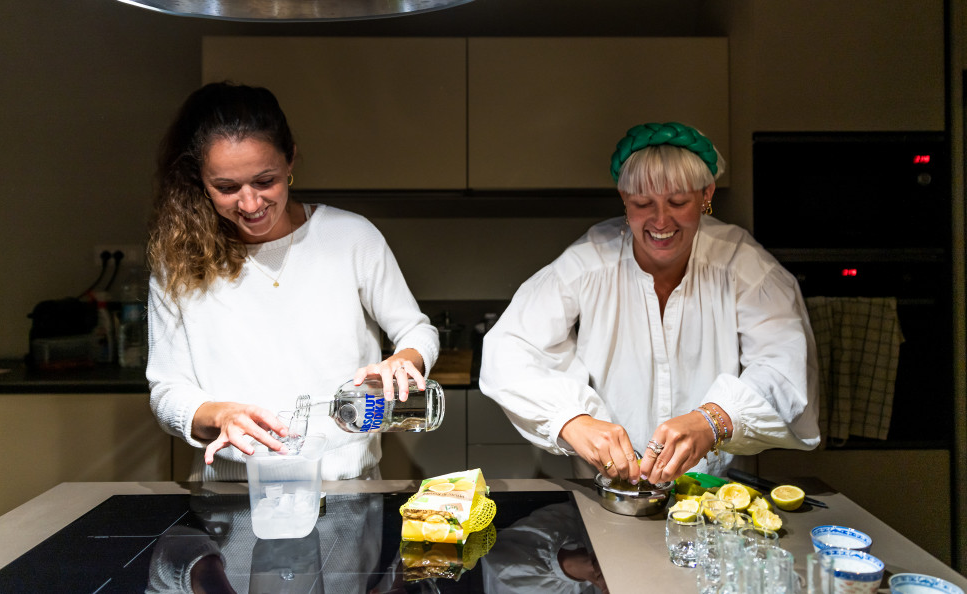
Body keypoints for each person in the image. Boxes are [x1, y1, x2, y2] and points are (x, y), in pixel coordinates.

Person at [479, 122, 820, 486]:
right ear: (624, 198)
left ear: (707, 194)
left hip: (715, 494)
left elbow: (783, 366)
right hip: (606, 491)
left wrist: (715, 418)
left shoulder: (744, 265)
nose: (660, 221)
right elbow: (510, 347)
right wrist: (572, 419)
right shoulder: (588, 260)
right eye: (643, 204)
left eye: (678, 202)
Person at [146, 82, 439, 482]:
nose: (250, 205)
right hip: (233, 497)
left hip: (347, 489)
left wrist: (402, 362)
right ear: (199, 180)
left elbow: (415, 330)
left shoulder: (350, 237)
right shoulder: (178, 260)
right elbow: (167, 391)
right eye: (227, 188)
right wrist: (220, 415)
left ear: (290, 161)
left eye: (265, 181)